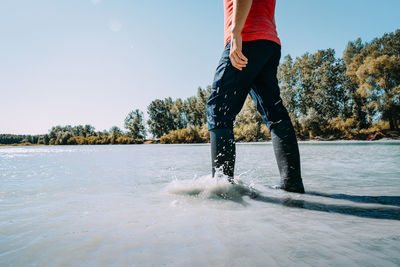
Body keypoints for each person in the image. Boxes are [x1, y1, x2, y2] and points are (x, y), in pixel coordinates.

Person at [206, 0, 305, 193]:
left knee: (218, 110)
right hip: (269, 42)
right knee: (275, 114)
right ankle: (292, 183)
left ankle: (222, 188)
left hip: (247, 38)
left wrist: (235, 33)